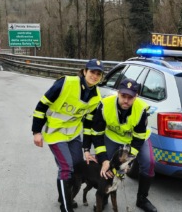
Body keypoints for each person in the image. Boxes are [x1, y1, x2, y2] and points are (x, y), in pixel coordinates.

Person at [32, 59, 104, 212]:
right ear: (85, 71)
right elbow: (41, 106)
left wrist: (86, 149)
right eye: (92, 72)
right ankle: (66, 207)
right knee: (66, 167)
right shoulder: (65, 83)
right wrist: (36, 131)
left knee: (77, 166)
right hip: (55, 133)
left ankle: (63, 195)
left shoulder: (96, 97)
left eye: (98, 74)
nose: (95, 76)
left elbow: (88, 125)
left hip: (73, 134)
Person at [87, 78, 158, 212]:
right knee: (106, 165)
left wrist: (128, 162)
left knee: (149, 162)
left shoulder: (141, 110)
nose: (126, 100)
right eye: (123, 96)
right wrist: (103, 159)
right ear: (118, 93)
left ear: (136, 96)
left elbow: (138, 139)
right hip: (113, 137)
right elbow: (96, 134)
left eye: (130, 97)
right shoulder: (105, 105)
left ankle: (142, 199)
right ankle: (104, 194)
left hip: (135, 139)